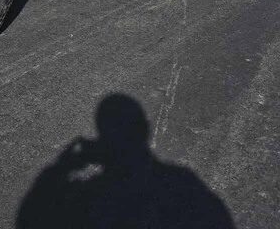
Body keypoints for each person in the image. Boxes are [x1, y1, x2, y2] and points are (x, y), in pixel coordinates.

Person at [18, 94, 234, 228]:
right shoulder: (184, 182)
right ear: (145, 129)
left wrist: (60, 168)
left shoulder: (88, 194)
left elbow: (30, 217)